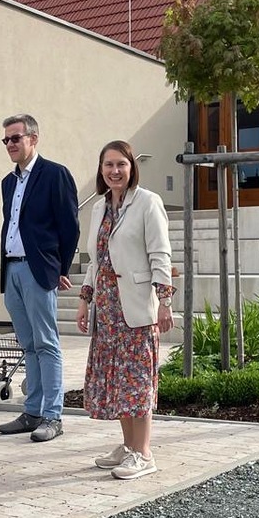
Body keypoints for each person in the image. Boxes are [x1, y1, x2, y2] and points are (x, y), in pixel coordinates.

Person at [76, 141, 174, 480]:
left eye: (121, 164)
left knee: (137, 381)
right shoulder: (99, 207)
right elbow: (96, 260)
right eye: (108, 165)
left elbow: (160, 254)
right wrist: (85, 299)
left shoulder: (148, 202)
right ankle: (129, 446)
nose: (114, 171)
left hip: (135, 307)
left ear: (132, 167)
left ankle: (144, 454)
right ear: (101, 169)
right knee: (118, 381)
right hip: (106, 311)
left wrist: (165, 301)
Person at [0, 113, 79, 443]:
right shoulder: (8, 182)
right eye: (6, 140)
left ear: (33, 138)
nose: (10, 144)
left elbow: (69, 227)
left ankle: (52, 416)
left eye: (15, 138)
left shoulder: (55, 174)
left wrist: (61, 268)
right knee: (28, 345)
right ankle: (32, 412)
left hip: (38, 269)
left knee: (46, 343)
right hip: (12, 269)